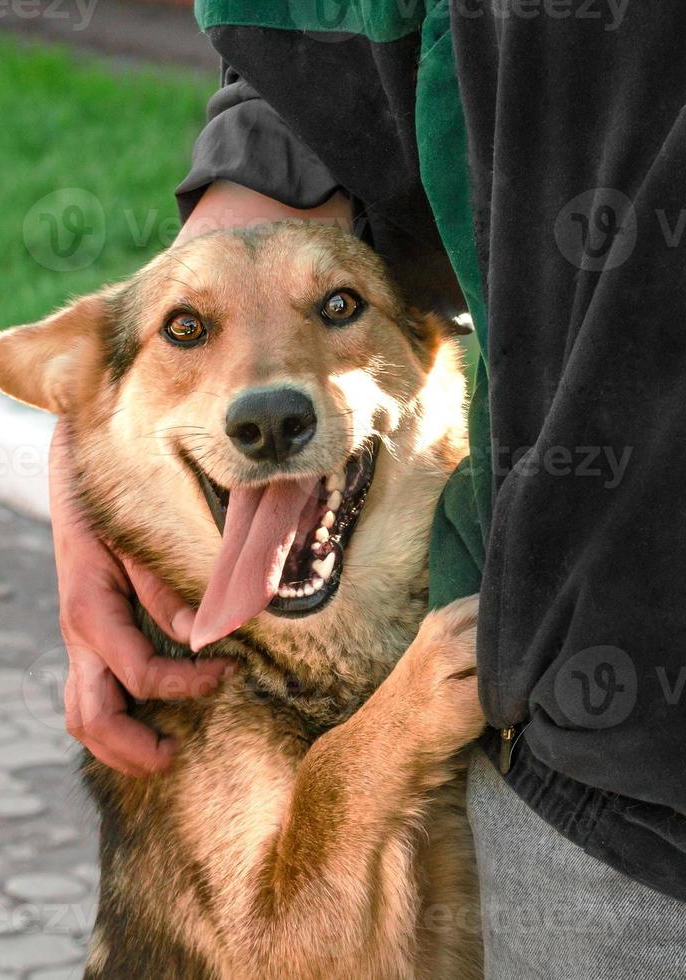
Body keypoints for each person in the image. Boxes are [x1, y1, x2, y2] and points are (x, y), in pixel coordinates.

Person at [49, 4, 686, 976]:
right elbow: (312, 66)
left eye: (338, 309)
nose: (270, 392)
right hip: (601, 752)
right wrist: (95, 425)